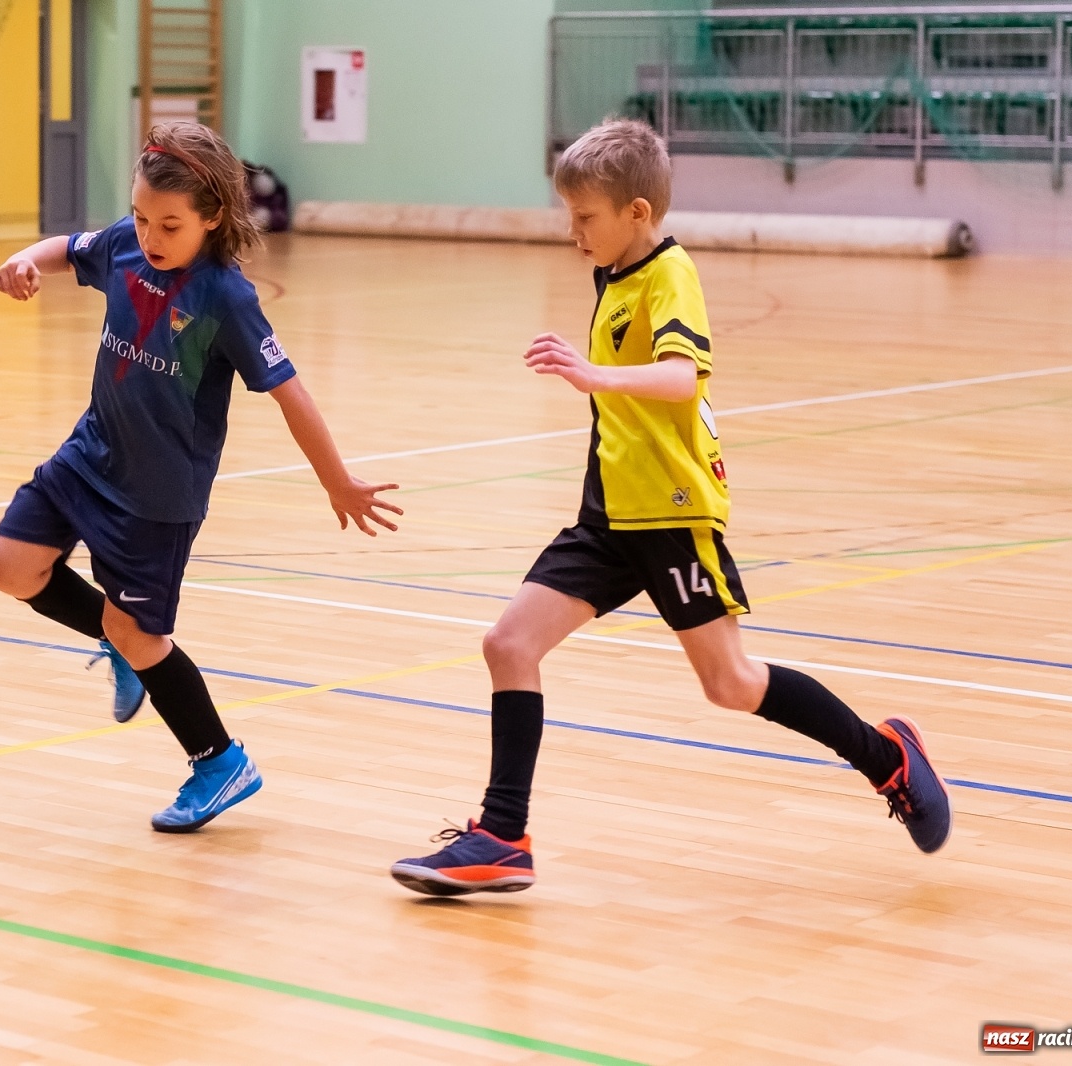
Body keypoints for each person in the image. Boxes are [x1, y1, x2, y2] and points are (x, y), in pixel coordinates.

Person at [389, 118, 950, 895]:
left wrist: (592, 375)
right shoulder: (613, 273)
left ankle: (885, 756)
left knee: (730, 684)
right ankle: (502, 836)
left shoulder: (668, 273)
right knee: (508, 645)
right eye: (570, 215)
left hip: (672, 514)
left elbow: (683, 378)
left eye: (586, 217)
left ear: (637, 216)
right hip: (608, 515)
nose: (573, 231)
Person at [0, 122, 401, 832]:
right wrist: (27, 259)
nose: (150, 234)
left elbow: (290, 392)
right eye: (143, 217)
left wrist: (337, 481)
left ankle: (218, 760)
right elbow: (71, 248)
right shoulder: (125, 245)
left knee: (140, 634)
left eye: (170, 225)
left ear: (212, 218)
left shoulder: (224, 298)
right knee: (8, 566)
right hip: (91, 455)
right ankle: (117, 640)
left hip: (157, 497)